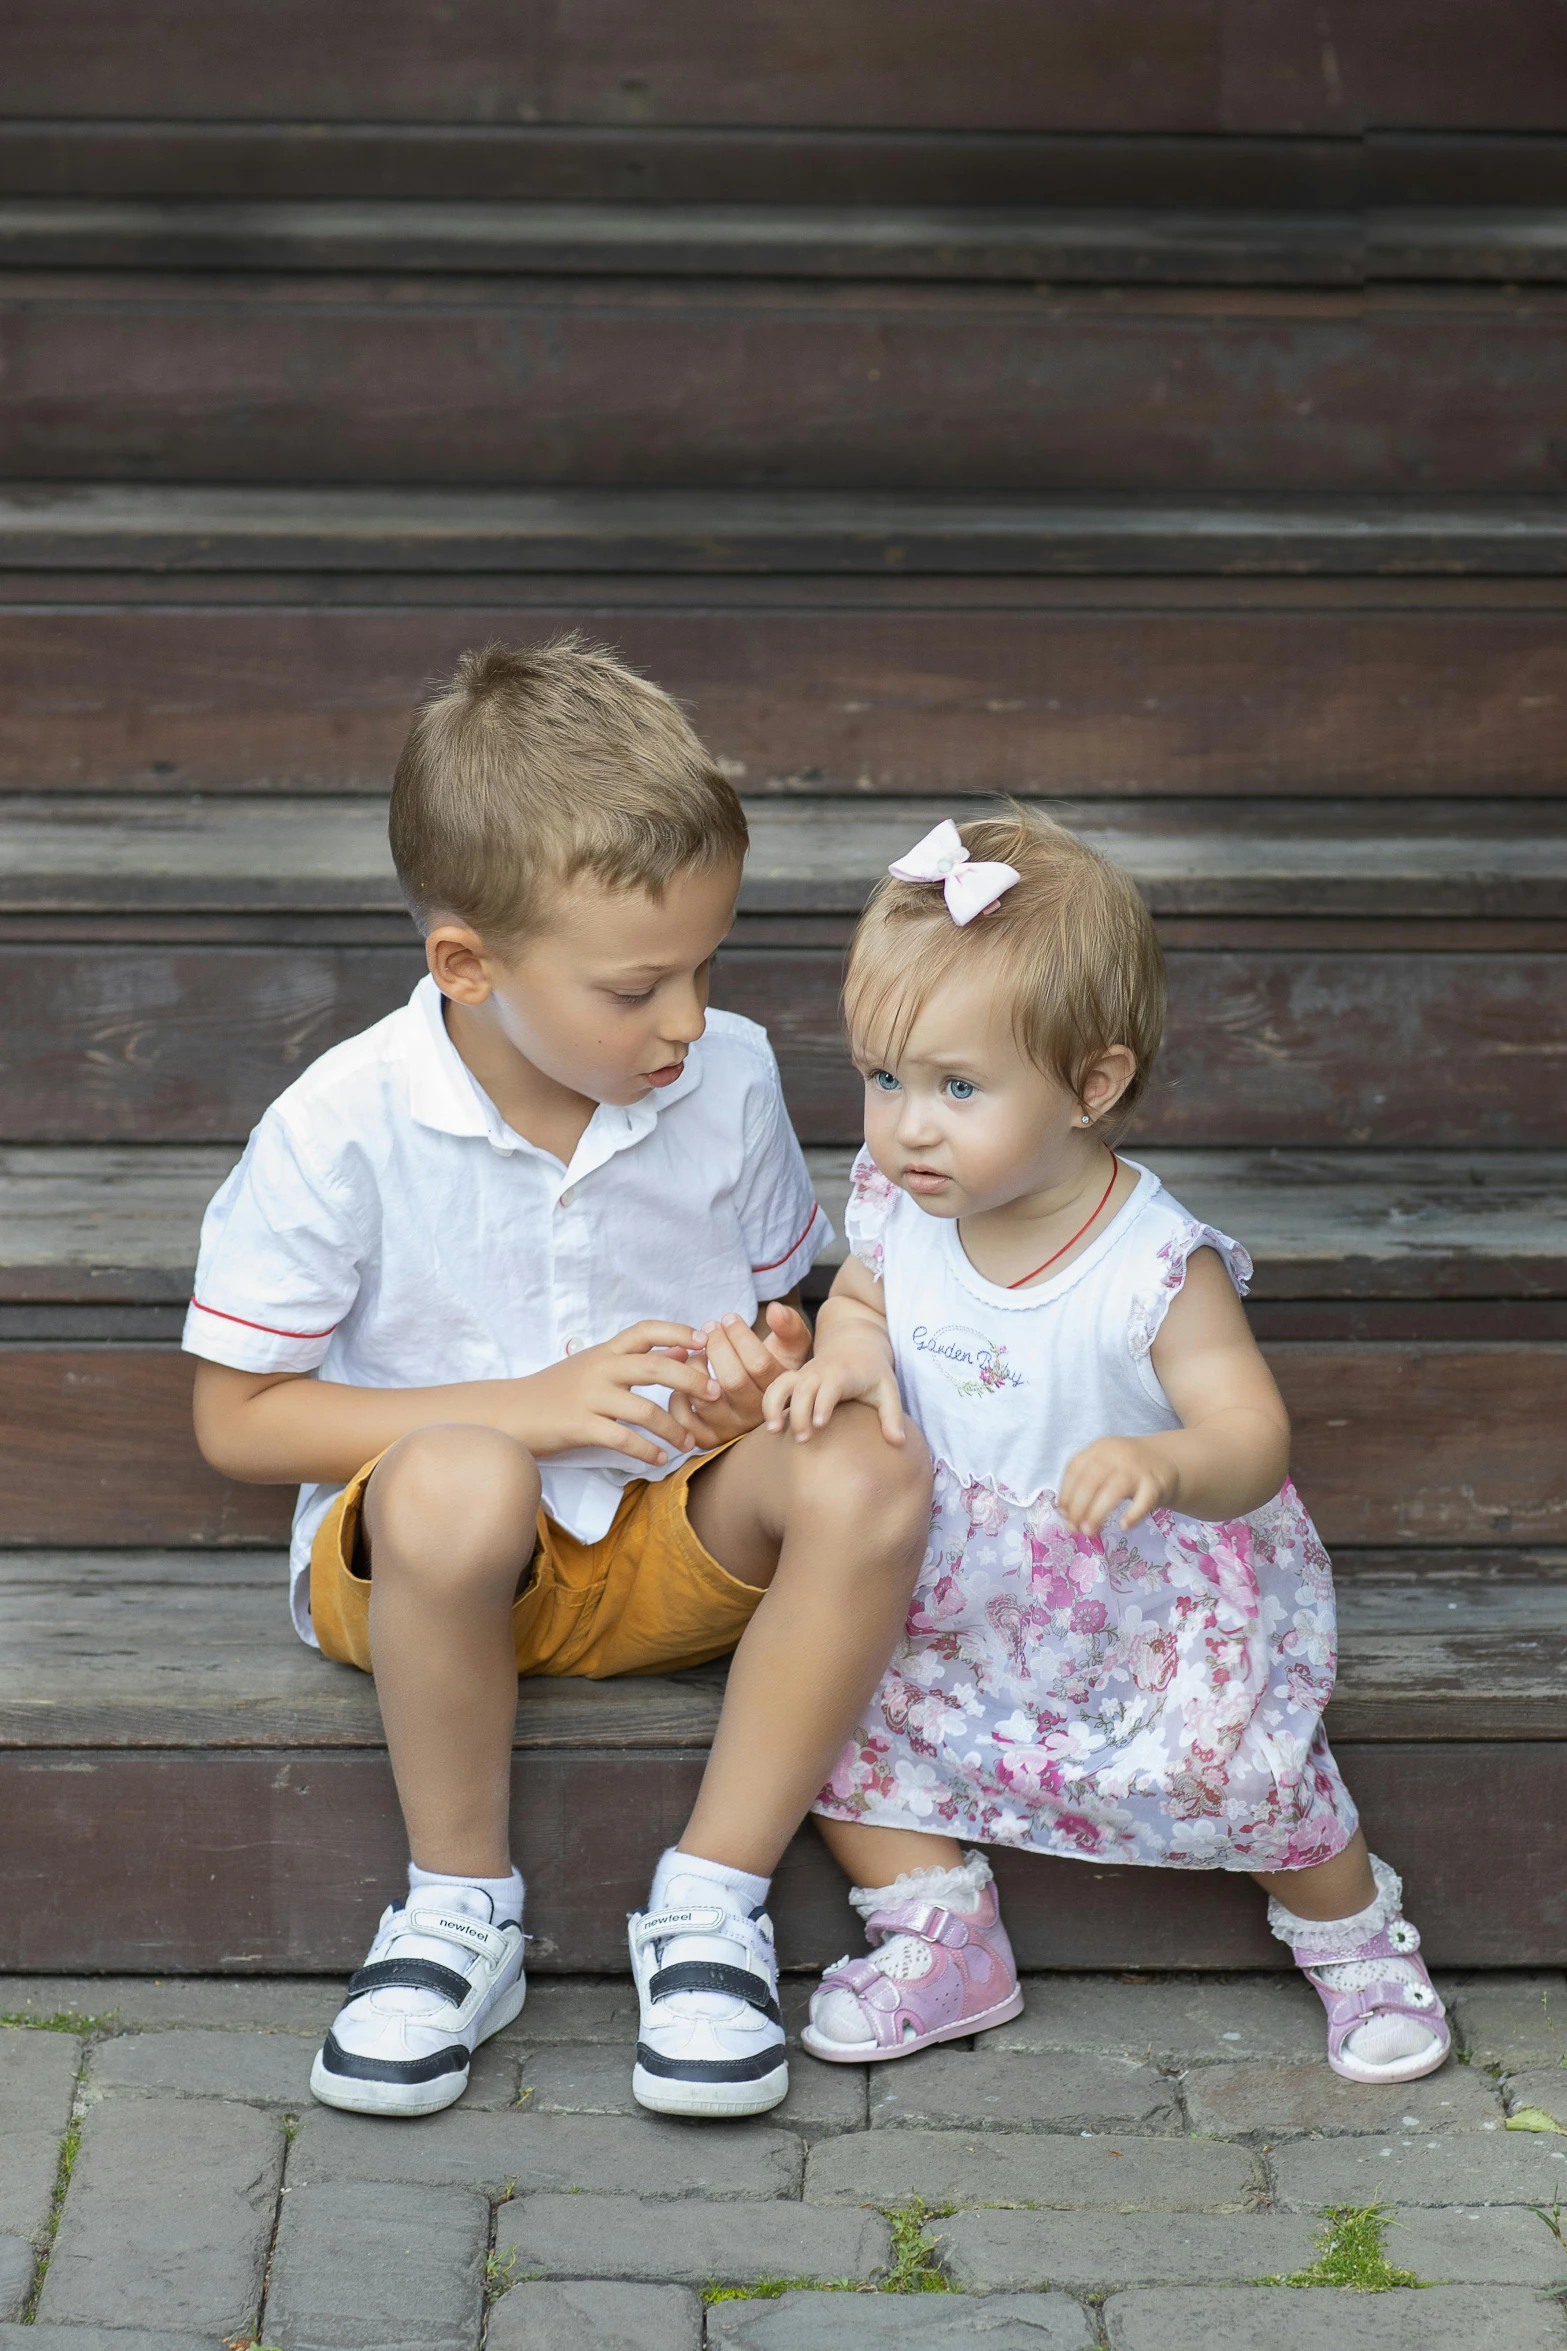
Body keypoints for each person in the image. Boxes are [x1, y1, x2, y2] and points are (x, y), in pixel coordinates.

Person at [186, 637, 931, 2120]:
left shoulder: (716, 1078)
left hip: (665, 1537)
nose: (683, 1017)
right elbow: (234, 1420)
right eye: (638, 984)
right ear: (467, 962)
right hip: (432, 1567)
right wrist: (520, 1405)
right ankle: (458, 1908)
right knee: (467, 1474)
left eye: (705, 967)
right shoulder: (344, 1122)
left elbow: (791, 1304)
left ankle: (710, 1899)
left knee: (866, 1459)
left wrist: (762, 1375)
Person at [764, 811, 1451, 2086]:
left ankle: (1350, 1934)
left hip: (1137, 1596)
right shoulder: (903, 1208)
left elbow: (1250, 1431)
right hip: (952, 1590)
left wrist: (1168, 1465)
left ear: (1091, 1085)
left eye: (957, 1087)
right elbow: (861, 1298)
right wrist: (847, 1348)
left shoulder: (1153, 1261)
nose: (908, 1126)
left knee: (1239, 1767)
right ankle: (940, 1928)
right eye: (883, 1076)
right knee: (850, 1745)